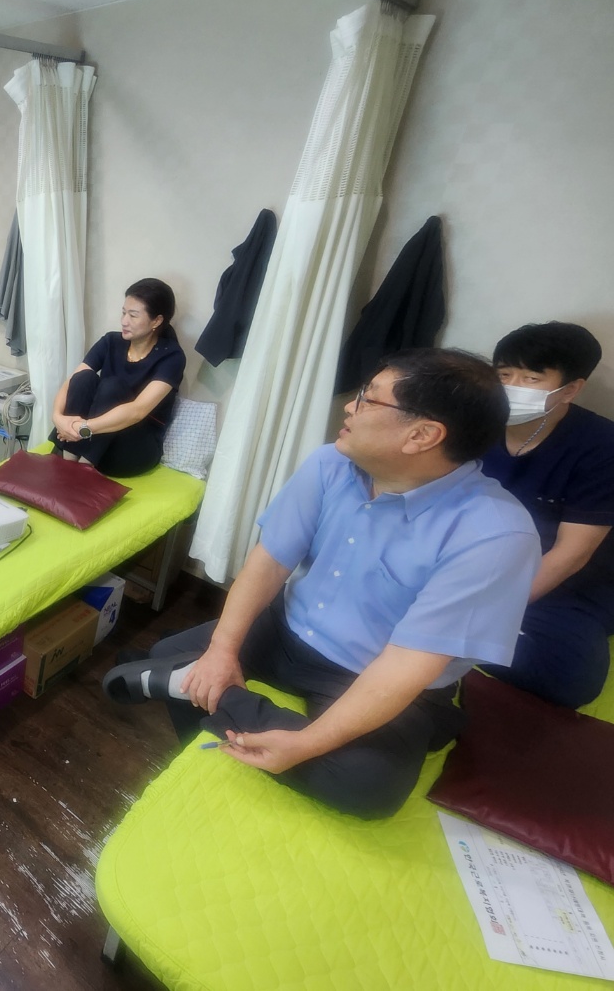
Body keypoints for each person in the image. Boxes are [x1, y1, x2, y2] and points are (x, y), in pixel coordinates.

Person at [104, 349, 540, 819]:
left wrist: (306, 744)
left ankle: (203, 694)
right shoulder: (330, 463)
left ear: (422, 435)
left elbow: (403, 668)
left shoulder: (496, 537)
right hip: (287, 627)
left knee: (367, 787)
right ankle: (195, 687)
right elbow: (269, 563)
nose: (350, 407)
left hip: (372, 672)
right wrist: (222, 651)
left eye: (369, 400)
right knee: (172, 652)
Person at [480, 322, 614, 708]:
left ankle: (451, 636)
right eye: (504, 375)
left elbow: (571, 554)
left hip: (563, 585)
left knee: (572, 676)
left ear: (570, 389)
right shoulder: (476, 426)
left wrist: (493, 606)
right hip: (477, 563)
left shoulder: (602, 447)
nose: (512, 387)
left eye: (531, 378)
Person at [49, 278, 186, 478]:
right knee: (84, 378)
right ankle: (68, 462)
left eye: (133, 315)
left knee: (112, 387)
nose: (124, 321)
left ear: (157, 321)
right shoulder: (111, 341)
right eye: (123, 313)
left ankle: (82, 471)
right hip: (89, 437)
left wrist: (82, 429)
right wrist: (58, 418)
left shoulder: (171, 357)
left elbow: (137, 411)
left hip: (132, 448)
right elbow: (72, 382)